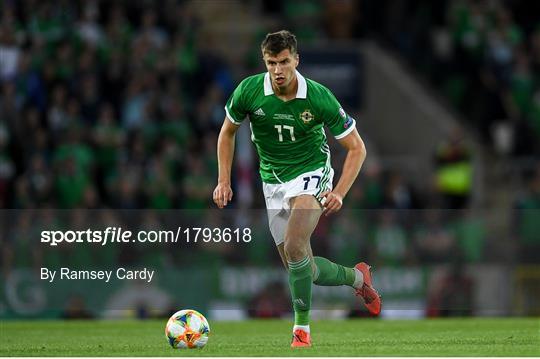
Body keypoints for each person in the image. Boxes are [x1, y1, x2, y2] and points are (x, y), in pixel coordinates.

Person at [213, 30, 381, 348]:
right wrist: (224, 180)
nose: (278, 70)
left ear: (296, 60)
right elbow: (227, 132)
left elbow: (357, 148)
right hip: (272, 181)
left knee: (294, 246)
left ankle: (301, 331)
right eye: (271, 62)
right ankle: (359, 278)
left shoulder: (318, 96)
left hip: (312, 173)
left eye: (284, 62)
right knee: (303, 265)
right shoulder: (249, 91)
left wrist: (340, 192)